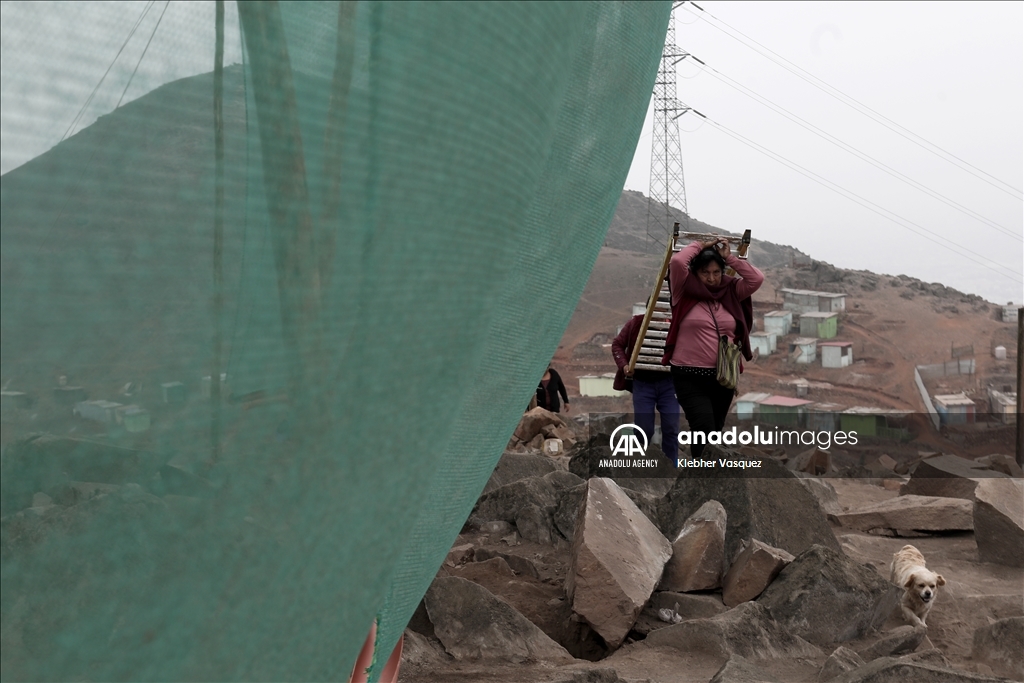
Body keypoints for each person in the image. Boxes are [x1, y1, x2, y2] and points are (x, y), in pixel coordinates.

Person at [662, 238, 764, 459]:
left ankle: (704, 481)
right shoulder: (683, 289)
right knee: (704, 429)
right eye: (705, 272)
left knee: (714, 433)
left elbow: (756, 278)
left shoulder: (732, 290)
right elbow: (678, 262)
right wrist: (701, 244)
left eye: (717, 272)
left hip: (723, 376)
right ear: (696, 272)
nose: (711, 278)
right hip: (688, 375)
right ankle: (701, 480)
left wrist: (729, 257)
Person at [612, 311, 679, 462]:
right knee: (644, 429)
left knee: (671, 428)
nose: (660, 316)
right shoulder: (636, 323)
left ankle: (671, 467)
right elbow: (617, 344)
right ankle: (641, 464)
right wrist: (624, 365)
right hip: (642, 383)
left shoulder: (675, 324)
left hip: (669, 383)